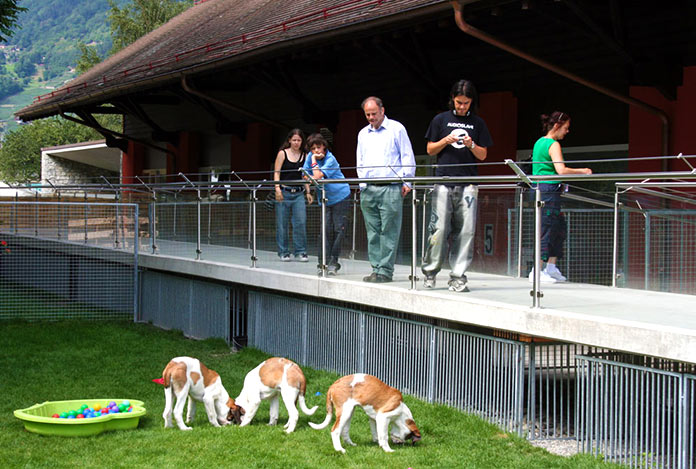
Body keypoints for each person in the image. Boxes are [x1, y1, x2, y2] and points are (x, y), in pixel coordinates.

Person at [421, 80, 493, 293]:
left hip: (468, 184)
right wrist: (446, 139)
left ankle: (458, 276)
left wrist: (471, 144)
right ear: (452, 99)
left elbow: (483, 155)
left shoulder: (478, 123)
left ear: (472, 102)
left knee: (466, 232)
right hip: (443, 181)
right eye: (459, 102)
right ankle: (430, 273)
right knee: (438, 229)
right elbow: (430, 150)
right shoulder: (440, 119)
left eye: (466, 103)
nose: (462, 107)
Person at [356, 96, 416, 283]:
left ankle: (385, 271)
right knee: (372, 231)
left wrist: (407, 182)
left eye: (374, 113)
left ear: (382, 110)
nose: (371, 117)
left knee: (389, 231)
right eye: (368, 114)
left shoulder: (397, 129)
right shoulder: (363, 134)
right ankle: (376, 268)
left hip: (391, 187)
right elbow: (360, 159)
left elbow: (407, 155)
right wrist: (362, 185)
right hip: (369, 188)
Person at [529, 111, 592, 283]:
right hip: (548, 190)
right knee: (547, 229)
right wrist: (583, 171)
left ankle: (550, 266)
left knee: (557, 227)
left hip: (545, 190)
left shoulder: (538, 143)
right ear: (557, 126)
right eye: (566, 128)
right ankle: (537, 270)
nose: (567, 131)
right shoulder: (552, 144)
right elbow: (561, 170)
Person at [302, 133, 351, 276]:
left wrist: (312, 161)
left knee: (338, 230)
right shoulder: (310, 158)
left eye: (319, 147)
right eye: (313, 149)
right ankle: (321, 263)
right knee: (324, 230)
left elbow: (316, 176)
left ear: (324, 146)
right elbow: (305, 175)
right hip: (324, 198)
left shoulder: (330, 159)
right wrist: (310, 172)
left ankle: (333, 263)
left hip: (340, 196)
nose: (316, 151)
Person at [273, 129, 313, 262]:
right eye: (294, 140)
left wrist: (308, 191)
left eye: (299, 140)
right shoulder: (282, 153)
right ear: (289, 140)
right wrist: (277, 189)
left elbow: (305, 175)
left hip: (299, 193)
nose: (296, 143)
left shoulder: (305, 155)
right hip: (284, 191)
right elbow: (277, 172)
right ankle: (283, 251)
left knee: (300, 223)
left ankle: (300, 251)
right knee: (282, 224)